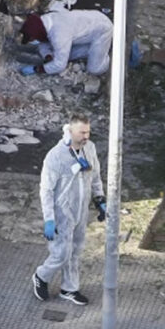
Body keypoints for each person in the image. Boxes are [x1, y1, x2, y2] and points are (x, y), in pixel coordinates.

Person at [32, 112, 105, 306]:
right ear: (71, 131)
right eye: (82, 132)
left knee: (76, 250)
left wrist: (100, 199)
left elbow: (95, 176)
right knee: (62, 253)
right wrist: (49, 218)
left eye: (88, 132)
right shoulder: (56, 156)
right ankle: (42, 275)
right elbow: (46, 190)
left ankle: (69, 289)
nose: (86, 136)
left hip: (81, 209)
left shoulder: (89, 148)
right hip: (62, 212)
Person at [17, 8, 112, 76]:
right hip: (88, 25)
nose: (35, 41)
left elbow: (60, 65)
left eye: (33, 39)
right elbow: (43, 42)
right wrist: (48, 55)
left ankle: (107, 55)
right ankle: (91, 50)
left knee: (94, 69)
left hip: (102, 29)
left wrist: (37, 69)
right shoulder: (43, 22)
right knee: (63, 55)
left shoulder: (59, 35)